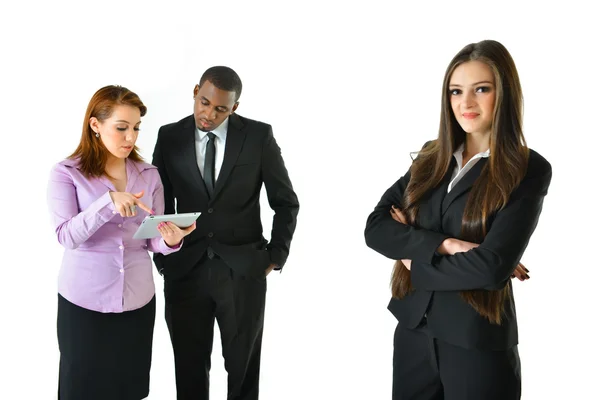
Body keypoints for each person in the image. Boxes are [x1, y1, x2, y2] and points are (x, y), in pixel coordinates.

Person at [364, 40, 552, 399]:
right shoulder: (432, 157)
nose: (465, 103)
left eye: (481, 89)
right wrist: (446, 244)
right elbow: (376, 228)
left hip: (476, 339)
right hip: (414, 331)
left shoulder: (526, 169)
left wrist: (411, 259)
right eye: (456, 91)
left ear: (505, 93)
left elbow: (490, 268)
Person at [152, 66, 299, 400]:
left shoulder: (258, 137)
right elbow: (158, 204)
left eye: (220, 108)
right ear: (195, 92)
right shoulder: (169, 136)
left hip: (242, 272)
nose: (209, 114)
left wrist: (274, 257)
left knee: (243, 372)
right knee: (188, 369)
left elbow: (286, 202)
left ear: (235, 107)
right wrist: (163, 259)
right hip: (184, 270)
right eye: (204, 102)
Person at [47, 85, 196, 400]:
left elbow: (151, 239)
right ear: (95, 125)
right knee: (81, 389)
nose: (131, 137)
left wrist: (170, 240)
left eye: (136, 128)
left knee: (129, 388)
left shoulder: (149, 175)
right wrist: (107, 203)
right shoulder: (67, 173)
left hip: (137, 301)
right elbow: (66, 236)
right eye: (122, 128)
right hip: (84, 304)